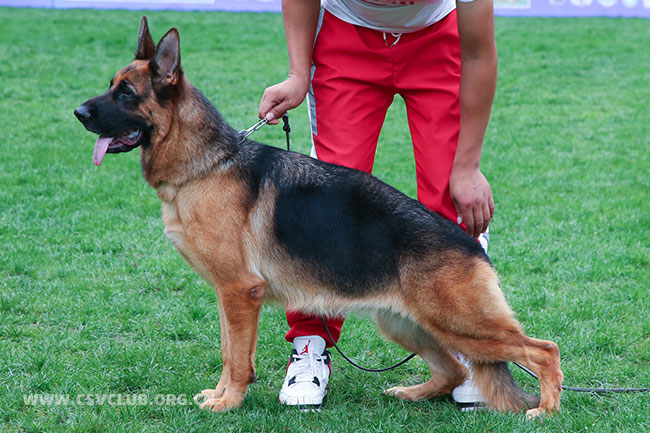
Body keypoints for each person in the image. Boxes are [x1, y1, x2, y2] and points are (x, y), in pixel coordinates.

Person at [258, 0, 496, 410]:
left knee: (450, 201)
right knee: (329, 204)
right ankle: (310, 345)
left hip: (438, 41)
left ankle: (471, 347)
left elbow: (478, 54)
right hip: (346, 38)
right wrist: (298, 74)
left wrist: (468, 167)